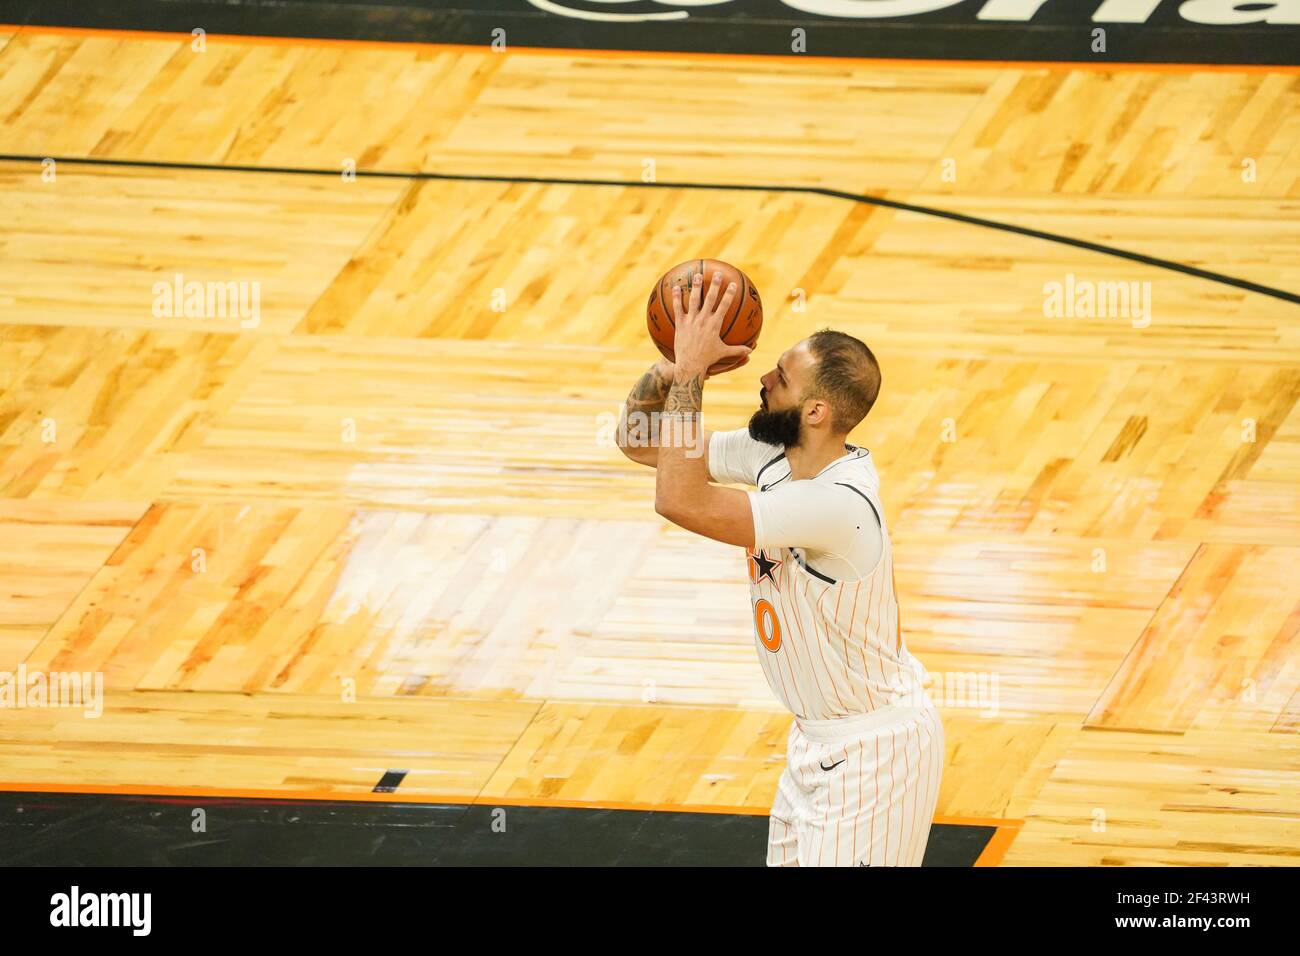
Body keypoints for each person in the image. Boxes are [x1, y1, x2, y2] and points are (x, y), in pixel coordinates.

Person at [617, 270, 943, 867]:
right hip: (814, 741)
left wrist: (692, 373)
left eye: (782, 378)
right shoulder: (774, 453)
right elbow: (640, 440)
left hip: (875, 751)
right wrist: (674, 362)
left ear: (815, 410)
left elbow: (679, 500)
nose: (764, 377)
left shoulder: (837, 504)